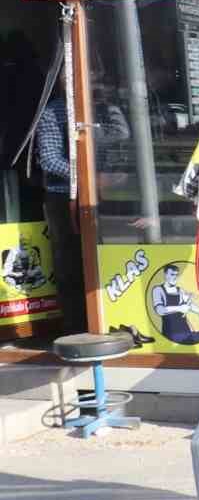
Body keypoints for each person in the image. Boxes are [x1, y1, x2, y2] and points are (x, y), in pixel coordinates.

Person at [33, 96, 85, 333]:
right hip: (63, 195)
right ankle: (75, 326)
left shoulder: (102, 107)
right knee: (69, 262)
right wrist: (85, 175)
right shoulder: (53, 112)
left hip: (99, 192)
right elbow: (50, 160)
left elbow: (122, 135)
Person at [150, 264, 199, 345]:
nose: (174, 277)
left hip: (185, 330)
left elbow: (189, 305)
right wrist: (180, 308)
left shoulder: (179, 290)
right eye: (172, 274)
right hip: (171, 333)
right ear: (165, 274)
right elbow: (160, 310)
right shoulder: (158, 290)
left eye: (176, 275)